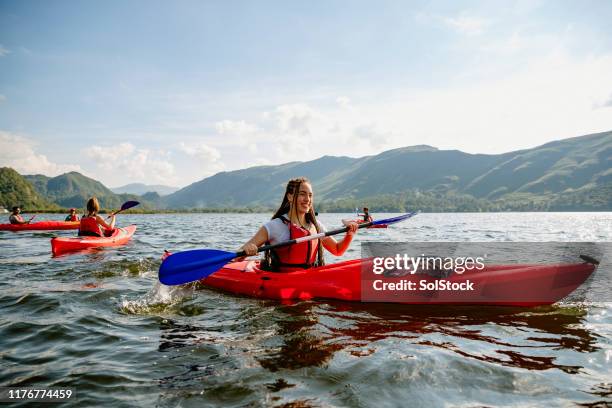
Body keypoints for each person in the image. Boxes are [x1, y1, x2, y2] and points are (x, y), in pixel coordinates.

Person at [239, 177, 359, 272]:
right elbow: (239, 254)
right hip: (282, 282)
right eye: (302, 194)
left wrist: (350, 233)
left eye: (310, 195)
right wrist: (247, 249)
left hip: (308, 278)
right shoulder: (274, 226)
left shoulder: (316, 226)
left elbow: (337, 250)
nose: (307, 199)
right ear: (290, 197)